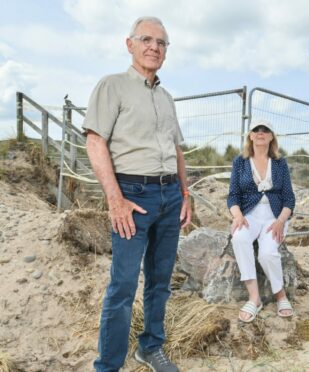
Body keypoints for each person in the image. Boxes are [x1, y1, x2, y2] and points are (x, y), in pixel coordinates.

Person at [83, 17, 190, 372]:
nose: (154, 47)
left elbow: (176, 151)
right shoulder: (112, 86)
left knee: (160, 281)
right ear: (129, 44)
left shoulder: (166, 97)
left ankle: (150, 347)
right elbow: (95, 141)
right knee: (123, 285)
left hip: (169, 195)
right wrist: (115, 199)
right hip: (132, 195)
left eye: (162, 43)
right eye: (147, 40)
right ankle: (109, 365)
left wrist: (185, 195)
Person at [227, 119, 296, 322]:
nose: (260, 132)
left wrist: (281, 221)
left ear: (271, 136)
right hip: (248, 214)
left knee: (267, 253)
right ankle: (254, 298)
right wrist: (237, 215)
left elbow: (289, 198)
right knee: (239, 238)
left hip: (274, 216)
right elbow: (232, 195)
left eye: (265, 130)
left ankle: (280, 295)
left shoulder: (280, 163)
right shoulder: (239, 162)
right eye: (256, 129)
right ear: (250, 136)